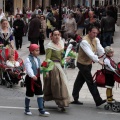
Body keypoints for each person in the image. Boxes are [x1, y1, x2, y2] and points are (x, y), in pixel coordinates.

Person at [71, 26, 106, 106]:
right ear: (89, 32)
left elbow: (101, 50)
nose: (95, 34)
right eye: (93, 32)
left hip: (88, 64)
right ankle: (98, 100)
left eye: (96, 33)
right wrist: (98, 61)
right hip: (82, 64)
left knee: (79, 81)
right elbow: (90, 53)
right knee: (91, 82)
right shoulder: (84, 41)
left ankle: (75, 97)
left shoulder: (96, 39)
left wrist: (105, 58)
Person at [43, 29, 70, 112]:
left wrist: (65, 59)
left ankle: (60, 102)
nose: (57, 36)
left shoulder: (61, 43)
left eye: (58, 35)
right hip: (53, 67)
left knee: (56, 84)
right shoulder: (50, 46)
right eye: (55, 35)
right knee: (58, 84)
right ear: (51, 36)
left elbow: (62, 56)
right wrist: (46, 71)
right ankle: (60, 103)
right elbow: (47, 59)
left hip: (60, 66)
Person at [24, 44, 50, 116]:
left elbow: (39, 68)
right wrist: (32, 75)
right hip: (30, 79)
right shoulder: (28, 59)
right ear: (32, 51)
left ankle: (41, 110)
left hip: (37, 79)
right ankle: (27, 109)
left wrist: (45, 71)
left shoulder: (38, 59)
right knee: (29, 94)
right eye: (36, 50)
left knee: (40, 94)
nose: (38, 52)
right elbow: (28, 68)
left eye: (38, 50)